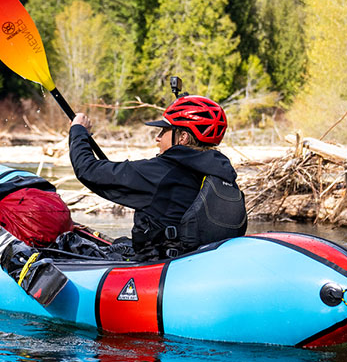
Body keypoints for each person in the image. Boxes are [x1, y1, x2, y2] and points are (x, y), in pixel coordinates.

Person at [69, 95, 240, 259]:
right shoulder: (221, 172)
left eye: (164, 131)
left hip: (161, 265)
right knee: (122, 243)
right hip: (196, 259)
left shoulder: (160, 172)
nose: (157, 138)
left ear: (183, 137)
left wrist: (78, 131)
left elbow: (87, 169)